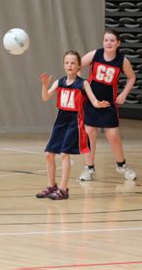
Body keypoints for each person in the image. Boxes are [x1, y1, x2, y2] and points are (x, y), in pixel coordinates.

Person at [37, 51, 110, 200]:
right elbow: (45, 98)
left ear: (78, 67)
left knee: (64, 154)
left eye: (73, 63)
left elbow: (94, 101)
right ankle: (52, 186)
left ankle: (63, 189)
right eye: (67, 63)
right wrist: (44, 85)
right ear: (64, 65)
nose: (69, 65)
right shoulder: (59, 82)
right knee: (49, 154)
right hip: (61, 121)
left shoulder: (82, 83)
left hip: (74, 122)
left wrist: (99, 104)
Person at [79, 29, 137, 181]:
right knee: (90, 132)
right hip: (92, 101)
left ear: (118, 43)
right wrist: (81, 85)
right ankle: (89, 168)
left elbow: (131, 78)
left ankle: (121, 165)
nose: (108, 43)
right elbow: (77, 67)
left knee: (112, 135)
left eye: (112, 40)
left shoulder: (122, 60)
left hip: (109, 103)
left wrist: (123, 94)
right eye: (106, 40)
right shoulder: (95, 54)